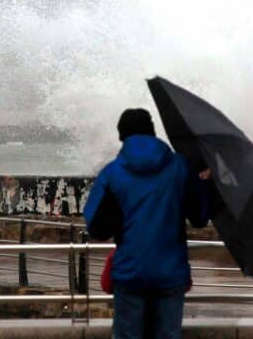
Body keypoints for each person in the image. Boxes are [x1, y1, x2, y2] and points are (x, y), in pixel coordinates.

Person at [84, 108, 211, 339]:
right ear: (153, 131)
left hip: (130, 273)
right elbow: (200, 218)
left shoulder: (111, 174)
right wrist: (202, 184)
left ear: (122, 136)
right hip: (170, 274)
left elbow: (97, 228)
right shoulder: (180, 167)